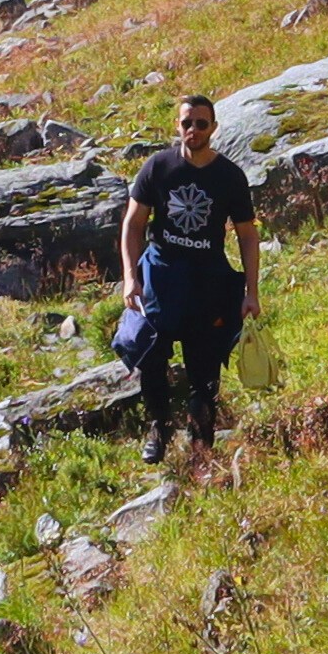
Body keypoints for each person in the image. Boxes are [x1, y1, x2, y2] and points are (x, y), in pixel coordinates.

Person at [119, 90, 258, 462]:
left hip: (208, 282)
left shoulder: (230, 176)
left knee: (205, 369)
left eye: (201, 123)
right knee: (150, 355)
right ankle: (159, 428)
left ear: (213, 127)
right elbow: (133, 224)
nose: (193, 129)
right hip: (160, 277)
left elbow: (247, 234)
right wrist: (131, 278)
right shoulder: (158, 167)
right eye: (187, 123)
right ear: (177, 126)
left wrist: (251, 291)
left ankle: (202, 450)